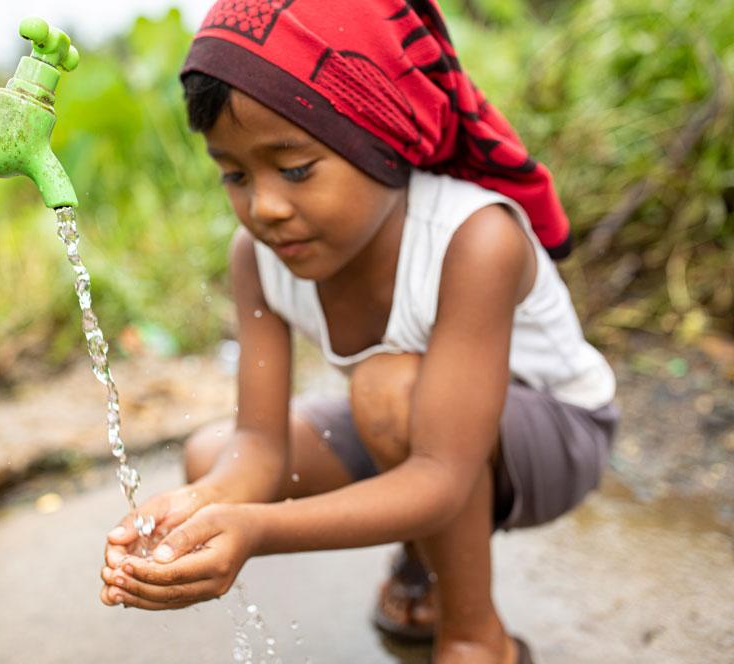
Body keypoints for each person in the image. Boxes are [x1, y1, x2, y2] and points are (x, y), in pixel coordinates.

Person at [100, 2, 620, 662]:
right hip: (422, 427)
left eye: (294, 168)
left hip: (555, 436)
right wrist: (202, 510)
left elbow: (440, 474)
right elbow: (257, 445)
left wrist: (256, 529)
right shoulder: (254, 257)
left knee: (388, 391)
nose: (265, 206)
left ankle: (473, 636)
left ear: (377, 141)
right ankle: (424, 560)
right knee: (212, 459)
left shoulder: (476, 240)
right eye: (234, 173)